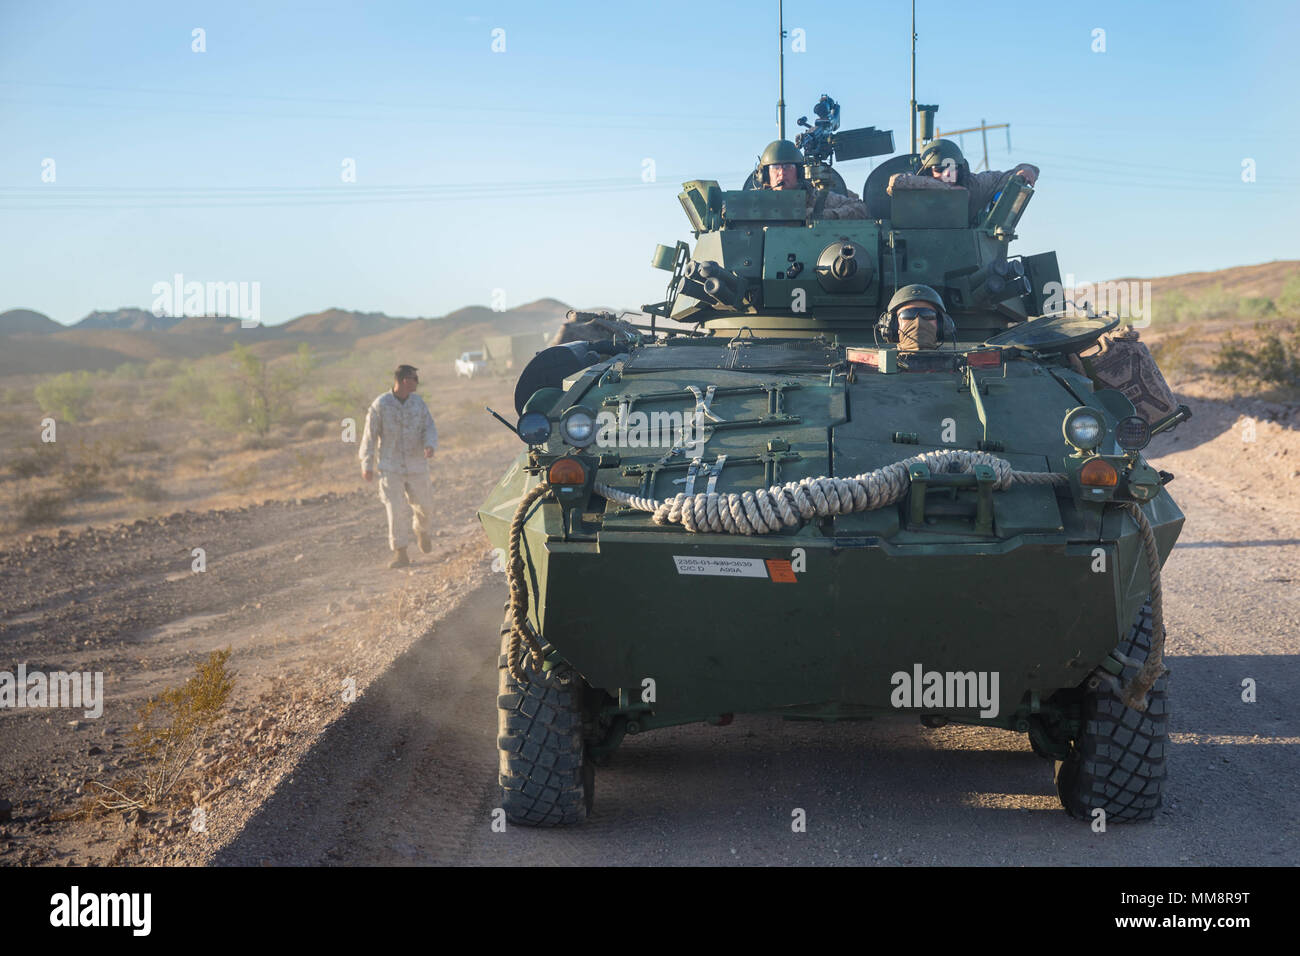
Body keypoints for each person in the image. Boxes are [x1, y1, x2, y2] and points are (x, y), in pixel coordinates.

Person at [359, 364, 438, 568]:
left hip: (416, 465)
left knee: (425, 506)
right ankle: (400, 552)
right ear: (405, 380)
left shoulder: (418, 403)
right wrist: (366, 463)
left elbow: (429, 426)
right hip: (390, 466)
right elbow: (369, 436)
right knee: (395, 509)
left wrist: (430, 444)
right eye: (415, 379)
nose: (417, 383)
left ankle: (422, 531)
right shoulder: (380, 405)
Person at [887, 138, 1039, 224]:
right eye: (939, 169)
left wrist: (1026, 170)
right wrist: (946, 189)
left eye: (952, 168)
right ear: (927, 171)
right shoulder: (913, 184)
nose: (947, 174)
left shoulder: (975, 185)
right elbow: (895, 182)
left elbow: (1012, 175)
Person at [755, 139, 868, 220]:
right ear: (765, 175)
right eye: (775, 167)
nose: (782, 172)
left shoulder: (816, 197)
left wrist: (824, 215)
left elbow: (860, 209)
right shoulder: (754, 202)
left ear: (800, 172)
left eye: (788, 167)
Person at [880, 284, 949, 351]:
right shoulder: (875, 361)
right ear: (893, 324)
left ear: (940, 323)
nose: (918, 322)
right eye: (908, 314)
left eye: (928, 314)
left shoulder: (957, 361)